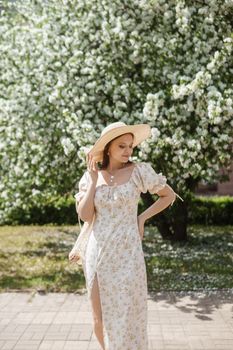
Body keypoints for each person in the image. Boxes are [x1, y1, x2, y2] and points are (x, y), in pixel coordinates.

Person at [69, 121, 183, 350]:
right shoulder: (92, 176)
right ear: (108, 148)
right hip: (98, 253)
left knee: (129, 315)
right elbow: (86, 216)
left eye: (130, 146)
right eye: (122, 146)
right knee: (99, 319)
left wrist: (141, 218)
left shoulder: (139, 171)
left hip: (128, 253)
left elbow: (168, 195)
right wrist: (92, 183)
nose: (128, 151)